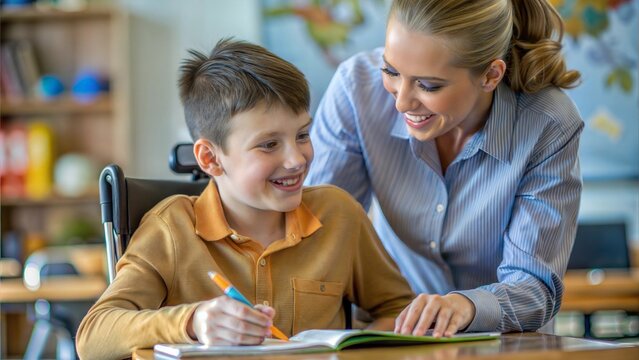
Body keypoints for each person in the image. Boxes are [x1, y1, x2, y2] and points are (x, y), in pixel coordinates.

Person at [76, 38, 414, 360]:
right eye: (269, 144)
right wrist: (192, 322)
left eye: (302, 135)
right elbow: (93, 337)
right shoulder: (170, 228)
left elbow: (399, 311)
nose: (296, 159)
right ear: (210, 159)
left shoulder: (339, 215)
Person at [306, 0, 583, 338]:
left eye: (428, 85)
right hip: (391, 335)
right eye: (391, 71)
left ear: (491, 75)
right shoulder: (356, 90)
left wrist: (464, 307)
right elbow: (316, 240)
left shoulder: (547, 122)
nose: (401, 102)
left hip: (504, 344)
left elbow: (535, 288)